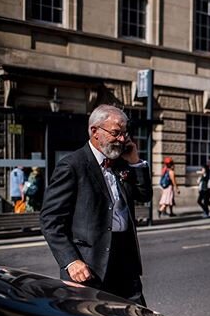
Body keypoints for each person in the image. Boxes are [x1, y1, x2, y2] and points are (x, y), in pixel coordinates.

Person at [40, 105, 152, 305]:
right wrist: (71, 261)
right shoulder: (72, 165)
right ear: (95, 131)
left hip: (125, 261)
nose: (121, 139)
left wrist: (135, 161)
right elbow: (50, 219)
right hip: (89, 265)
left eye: (124, 134)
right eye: (116, 133)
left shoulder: (121, 162)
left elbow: (144, 196)